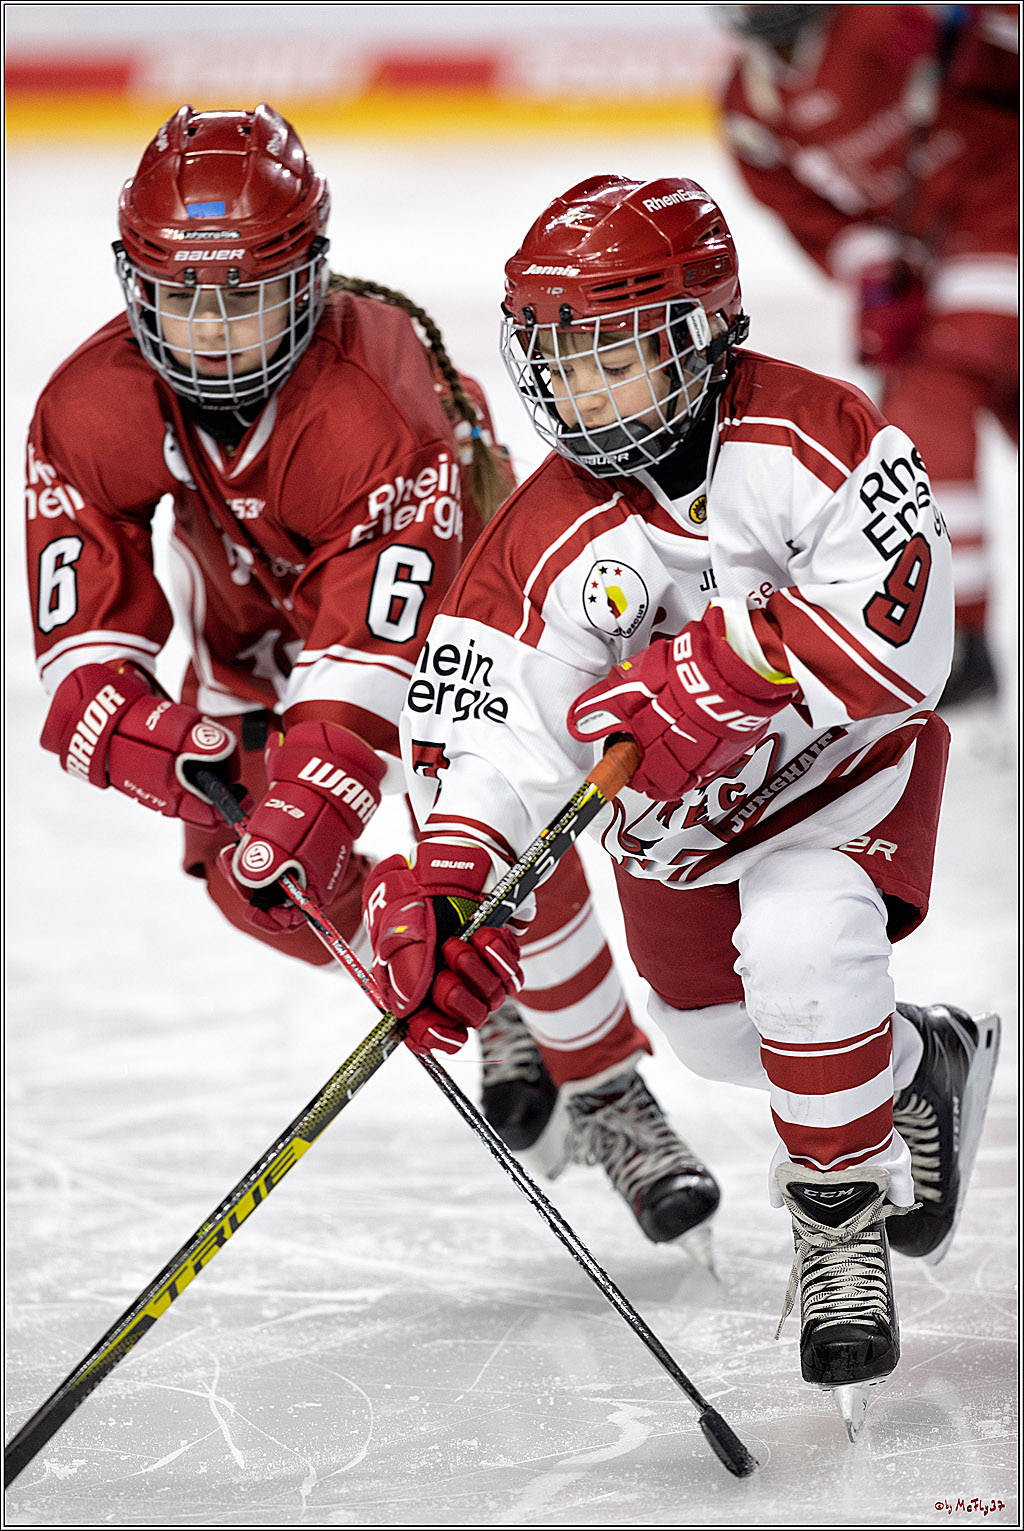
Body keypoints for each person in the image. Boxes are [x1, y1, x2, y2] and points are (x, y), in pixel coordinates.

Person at [360, 173, 1001, 1426]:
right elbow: (496, 741)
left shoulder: (818, 431)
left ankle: (840, 1229)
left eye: (613, 354)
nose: (581, 391)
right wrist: (448, 880)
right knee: (718, 1036)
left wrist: (736, 663)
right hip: (686, 832)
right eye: (560, 358)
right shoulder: (540, 538)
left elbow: (908, 637)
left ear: (703, 333)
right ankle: (924, 1060)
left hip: (838, 779)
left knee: (811, 936)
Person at [25, 103, 713, 1251]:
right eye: (186, 297)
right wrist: (143, 735)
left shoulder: (376, 404)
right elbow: (83, 656)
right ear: (133, 283)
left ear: (308, 277)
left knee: (475, 827)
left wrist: (318, 789)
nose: (214, 335)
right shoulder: (87, 405)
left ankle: (606, 1092)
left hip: (455, 610)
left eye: (244, 295)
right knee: (256, 876)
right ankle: (470, 983)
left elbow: (364, 678)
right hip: (257, 638)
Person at [719, 3, 1019, 706]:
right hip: (930, 259)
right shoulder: (747, 99)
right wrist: (872, 259)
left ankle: (959, 642)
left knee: (924, 398)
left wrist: (979, 25)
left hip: (1006, 212)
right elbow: (795, 203)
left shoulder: (889, 17)